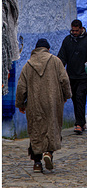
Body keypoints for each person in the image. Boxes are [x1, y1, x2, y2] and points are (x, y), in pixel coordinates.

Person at [15, 39, 72, 172]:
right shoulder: (56, 61)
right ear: (48, 49)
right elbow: (65, 80)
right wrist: (66, 96)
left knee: (36, 130)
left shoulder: (28, 65)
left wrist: (20, 104)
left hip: (34, 104)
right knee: (52, 127)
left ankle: (37, 163)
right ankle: (49, 153)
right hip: (53, 103)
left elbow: (21, 87)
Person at [58, 19, 87, 135]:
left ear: (81, 29)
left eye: (76, 30)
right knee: (74, 98)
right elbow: (62, 57)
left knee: (80, 96)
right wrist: (58, 68)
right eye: (73, 30)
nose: (74, 32)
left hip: (84, 75)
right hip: (71, 75)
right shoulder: (67, 41)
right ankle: (81, 122)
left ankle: (79, 123)